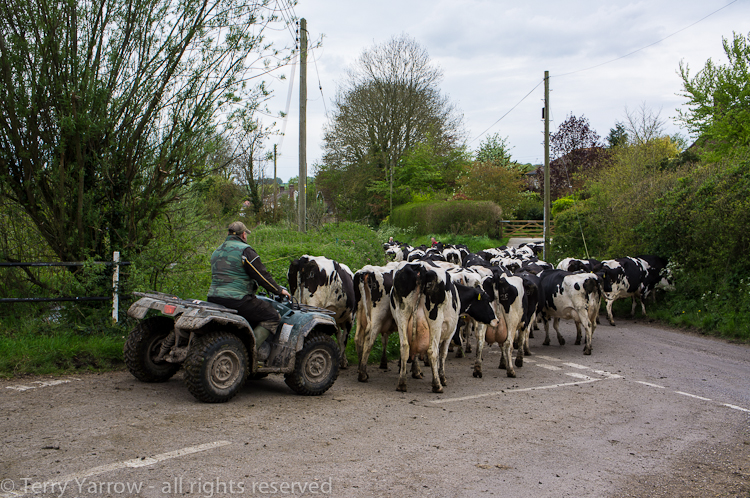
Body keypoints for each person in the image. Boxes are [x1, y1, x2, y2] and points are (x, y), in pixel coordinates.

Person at [207, 221, 291, 352]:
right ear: (243, 235)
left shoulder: (216, 251)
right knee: (272, 316)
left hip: (213, 298)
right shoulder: (245, 251)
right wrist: (279, 291)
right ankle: (249, 352)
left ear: (228, 234)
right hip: (237, 300)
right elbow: (262, 275)